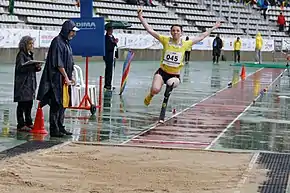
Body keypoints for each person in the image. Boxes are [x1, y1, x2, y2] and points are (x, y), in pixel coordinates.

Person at [137, 8, 221, 106]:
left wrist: (213, 28)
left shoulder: (185, 44)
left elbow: (201, 36)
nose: (175, 32)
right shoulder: (165, 40)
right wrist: (140, 17)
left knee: (171, 83)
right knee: (155, 89)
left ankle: (166, 97)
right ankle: (151, 95)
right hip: (162, 72)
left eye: (177, 31)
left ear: (181, 33)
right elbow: (150, 30)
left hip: (174, 75)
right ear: (171, 32)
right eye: (173, 30)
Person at [37, 20, 79, 138]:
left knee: (63, 104)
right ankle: (54, 128)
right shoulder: (57, 42)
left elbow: (70, 61)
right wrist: (66, 77)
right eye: (72, 32)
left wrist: (71, 77)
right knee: (56, 103)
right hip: (56, 80)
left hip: (64, 79)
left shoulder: (66, 42)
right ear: (67, 30)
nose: (74, 34)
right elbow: (58, 63)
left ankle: (60, 126)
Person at [13, 36, 42, 132]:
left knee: (29, 103)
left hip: (29, 83)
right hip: (23, 84)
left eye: (32, 43)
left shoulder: (29, 55)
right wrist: (33, 67)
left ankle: (29, 122)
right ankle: (21, 124)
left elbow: (31, 69)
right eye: (30, 44)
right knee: (22, 104)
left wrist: (37, 67)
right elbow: (21, 68)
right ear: (25, 45)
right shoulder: (21, 55)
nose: (32, 45)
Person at [103, 26, 119, 90]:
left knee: (111, 70)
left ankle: (110, 83)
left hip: (113, 56)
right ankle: (107, 84)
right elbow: (109, 47)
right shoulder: (106, 37)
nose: (112, 31)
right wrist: (114, 42)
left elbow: (115, 46)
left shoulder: (112, 37)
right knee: (108, 70)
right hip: (108, 56)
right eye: (110, 30)